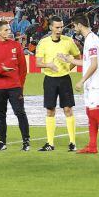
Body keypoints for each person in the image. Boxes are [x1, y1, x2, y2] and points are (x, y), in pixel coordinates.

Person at [57, 14, 99, 154]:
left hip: (96, 82)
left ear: (80, 25)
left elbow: (94, 65)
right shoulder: (89, 40)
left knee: (94, 112)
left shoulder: (92, 40)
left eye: (74, 26)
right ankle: (92, 146)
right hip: (91, 83)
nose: (74, 29)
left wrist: (81, 80)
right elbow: (86, 63)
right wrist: (68, 59)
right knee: (90, 112)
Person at [35, 16, 80, 152]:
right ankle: (50, 143)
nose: (59, 30)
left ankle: (72, 143)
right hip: (50, 79)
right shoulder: (43, 42)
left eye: (61, 27)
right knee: (50, 111)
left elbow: (77, 57)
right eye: (57, 27)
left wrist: (68, 68)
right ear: (51, 28)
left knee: (68, 109)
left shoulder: (68, 41)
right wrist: (48, 64)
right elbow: (37, 63)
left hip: (64, 79)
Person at [0, 21, 30, 151]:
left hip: (15, 87)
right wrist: (1, 68)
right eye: (6, 30)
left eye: (9, 29)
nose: (9, 32)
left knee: (20, 113)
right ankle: (2, 142)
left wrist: (21, 87)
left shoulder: (16, 45)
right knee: (0, 115)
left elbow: (23, 69)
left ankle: (26, 141)